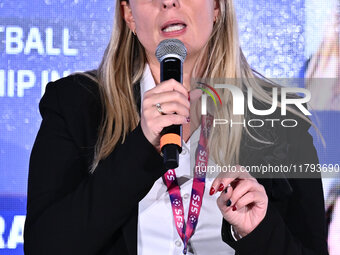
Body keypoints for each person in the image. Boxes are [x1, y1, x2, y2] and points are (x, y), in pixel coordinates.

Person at [23, 0, 329, 254]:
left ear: (218, 8)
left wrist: (258, 231)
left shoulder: (279, 118)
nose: (169, 1)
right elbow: (45, 246)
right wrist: (139, 147)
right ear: (129, 14)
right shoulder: (76, 104)